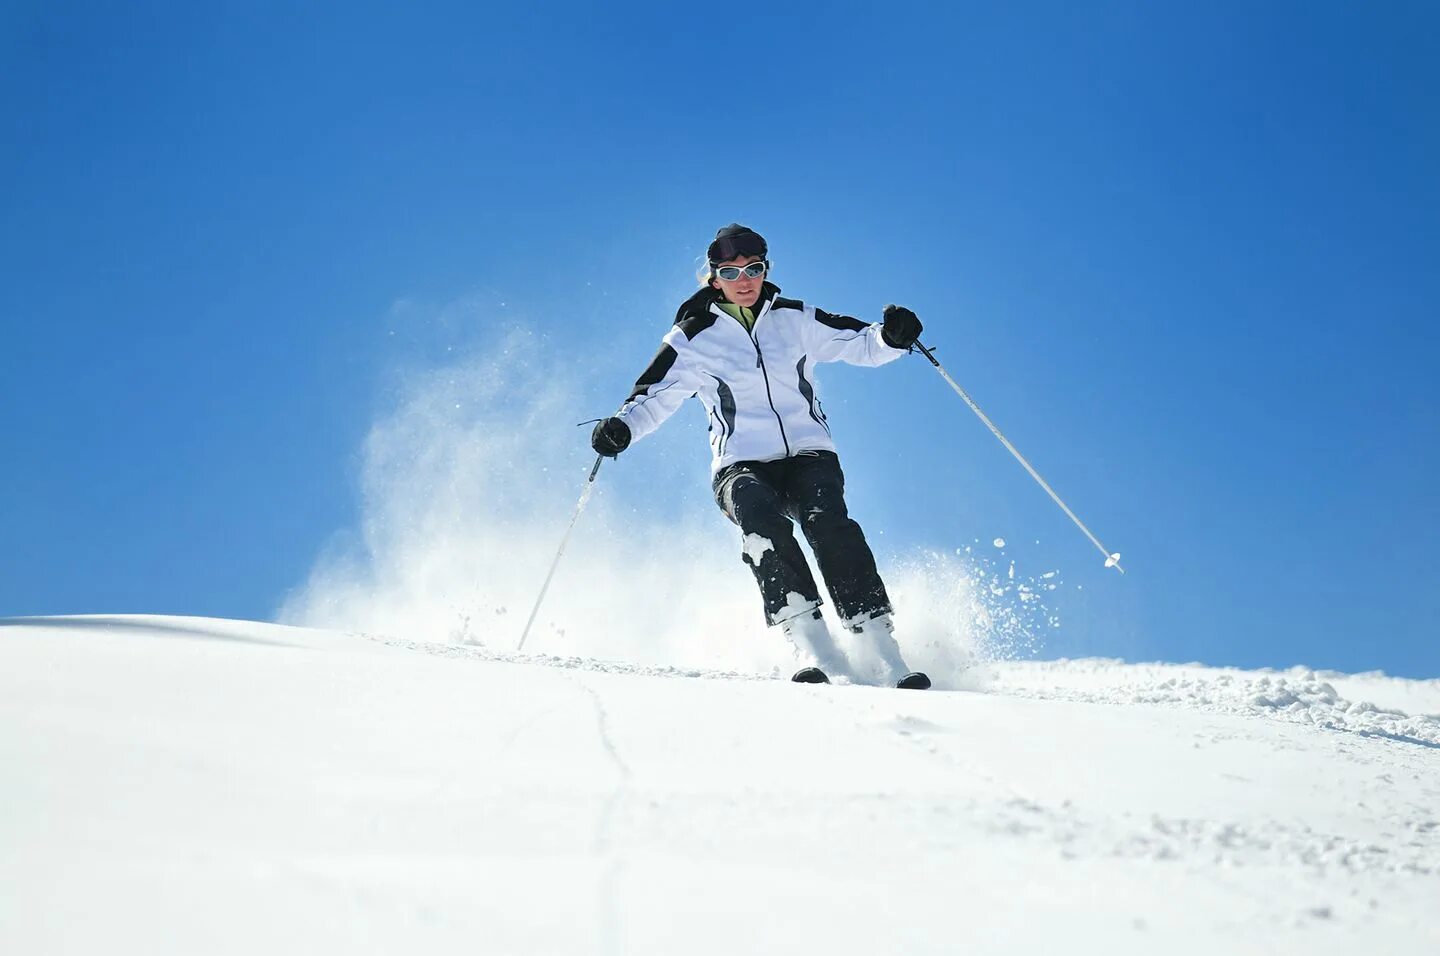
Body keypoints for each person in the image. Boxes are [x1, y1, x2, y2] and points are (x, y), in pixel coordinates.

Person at [590, 224, 929, 689]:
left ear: (766, 270)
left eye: (754, 269)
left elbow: (861, 342)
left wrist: (893, 336)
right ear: (714, 279)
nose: (744, 280)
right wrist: (621, 427)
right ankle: (813, 645)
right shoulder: (692, 337)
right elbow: (655, 395)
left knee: (828, 523)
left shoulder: (795, 318)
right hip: (740, 464)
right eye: (731, 272)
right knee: (759, 517)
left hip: (809, 454)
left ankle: (881, 648)